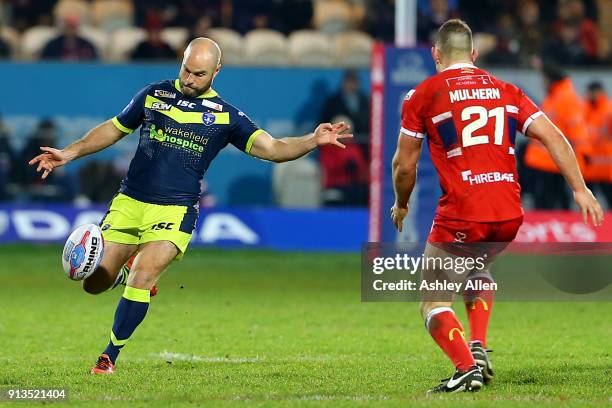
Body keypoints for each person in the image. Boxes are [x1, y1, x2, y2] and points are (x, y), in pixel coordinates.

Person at [29, 37, 352, 375]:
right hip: (130, 201)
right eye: (186, 69)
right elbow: (113, 129)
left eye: (198, 74)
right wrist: (68, 152)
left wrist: (313, 140)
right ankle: (121, 270)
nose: (189, 79)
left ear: (216, 71)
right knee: (93, 283)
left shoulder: (226, 116)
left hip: (175, 211)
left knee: (143, 277)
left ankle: (109, 356)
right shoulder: (155, 94)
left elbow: (273, 148)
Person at [390, 19, 603, 394]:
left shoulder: (423, 94)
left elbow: (404, 165)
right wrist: (581, 189)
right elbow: (555, 137)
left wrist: (401, 203)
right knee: (477, 268)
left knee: (433, 301)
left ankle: (465, 368)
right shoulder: (507, 90)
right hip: (507, 213)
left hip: (463, 210)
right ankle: (477, 345)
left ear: (435, 55)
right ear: (474, 55)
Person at [524, 64, 588, 209]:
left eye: (544, 79)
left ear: (551, 79)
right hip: (546, 161)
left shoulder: (566, 99)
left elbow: (577, 132)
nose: (542, 83)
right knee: (549, 200)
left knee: (556, 201)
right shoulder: (554, 97)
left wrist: (576, 157)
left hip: (555, 161)